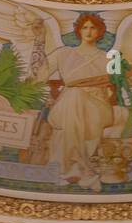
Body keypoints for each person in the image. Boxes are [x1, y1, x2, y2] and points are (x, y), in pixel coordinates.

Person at [46, 14, 120, 190]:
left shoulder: (111, 57)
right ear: (78, 30)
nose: (88, 31)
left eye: (93, 28)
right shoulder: (63, 54)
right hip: (68, 103)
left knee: (75, 100)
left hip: (98, 105)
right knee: (74, 99)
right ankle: (78, 167)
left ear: (99, 32)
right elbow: (39, 72)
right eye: (85, 27)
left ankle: (76, 166)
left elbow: (117, 87)